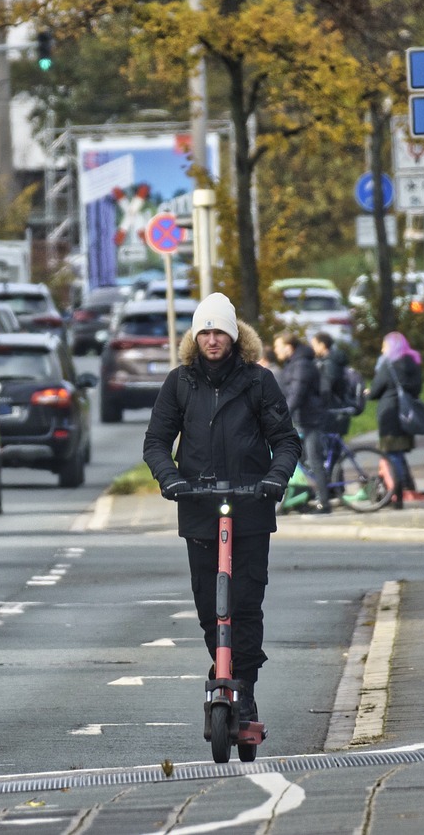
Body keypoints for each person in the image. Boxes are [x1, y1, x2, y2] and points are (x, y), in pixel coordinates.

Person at [143, 292, 301, 726]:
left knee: (246, 602)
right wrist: (171, 478)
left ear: (234, 336)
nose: (212, 340)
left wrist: (274, 478)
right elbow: (156, 442)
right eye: (205, 332)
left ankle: (243, 688)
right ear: (196, 337)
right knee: (209, 606)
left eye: (220, 332)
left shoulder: (257, 381)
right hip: (198, 507)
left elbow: (286, 440)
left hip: (249, 507)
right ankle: (223, 670)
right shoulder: (179, 383)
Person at [273, 331, 331, 513]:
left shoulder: (301, 365)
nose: (276, 351)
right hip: (303, 419)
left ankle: (324, 503)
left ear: (288, 347)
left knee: (314, 460)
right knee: (299, 460)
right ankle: (303, 497)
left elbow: (297, 394)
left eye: (278, 347)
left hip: (311, 419)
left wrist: (283, 416)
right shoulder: (294, 363)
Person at [367, 331, 423, 509]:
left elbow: (375, 390)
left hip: (390, 414)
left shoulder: (388, 365)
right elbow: (417, 388)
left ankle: (397, 495)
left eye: (384, 345)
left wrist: (368, 393)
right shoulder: (413, 363)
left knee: (392, 455)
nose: (382, 349)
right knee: (399, 454)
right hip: (406, 414)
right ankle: (408, 487)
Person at [312, 331, 351, 435]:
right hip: (335, 409)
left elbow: (326, 386)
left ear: (322, 345)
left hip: (332, 410)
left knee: (329, 446)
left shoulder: (330, 363)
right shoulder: (327, 361)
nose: (313, 349)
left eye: (314, 345)